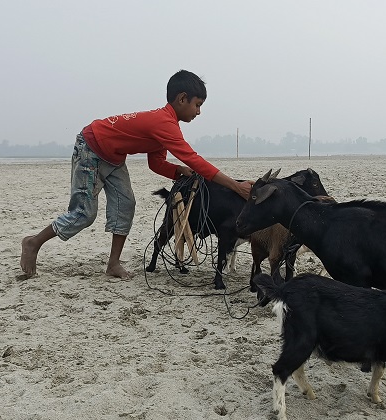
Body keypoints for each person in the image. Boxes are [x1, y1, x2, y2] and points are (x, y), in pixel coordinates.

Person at [20, 70, 252, 280]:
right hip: (91, 148)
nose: (199, 112)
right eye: (197, 105)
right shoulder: (164, 123)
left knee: (126, 205)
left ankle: (113, 264)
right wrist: (236, 186)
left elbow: (156, 163)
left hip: (114, 157)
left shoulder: (166, 126)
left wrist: (177, 171)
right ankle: (34, 242)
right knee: (84, 214)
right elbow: (194, 159)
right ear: (182, 99)